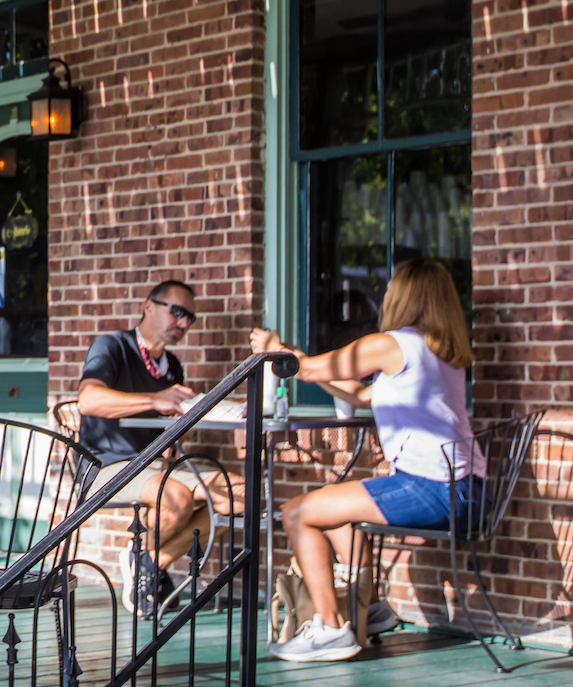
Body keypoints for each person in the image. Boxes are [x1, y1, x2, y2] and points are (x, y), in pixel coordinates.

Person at [250, 257, 481, 663]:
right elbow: (359, 396)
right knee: (333, 509)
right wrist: (303, 366)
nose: (385, 294)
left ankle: (332, 630)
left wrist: (276, 350)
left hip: (434, 488)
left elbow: (311, 368)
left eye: (391, 287)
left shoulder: (392, 343)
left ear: (407, 295)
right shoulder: (439, 350)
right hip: (468, 490)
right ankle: (371, 610)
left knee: (297, 512)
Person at [76, 280, 239, 615]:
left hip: (158, 465)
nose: (183, 323)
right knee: (176, 497)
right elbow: (88, 400)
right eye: (177, 312)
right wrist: (154, 399)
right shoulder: (113, 345)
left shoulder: (172, 367)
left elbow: (170, 425)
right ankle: (146, 564)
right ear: (149, 306)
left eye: (189, 318)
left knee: (240, 495)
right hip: (106, 464)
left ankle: (147, 560)